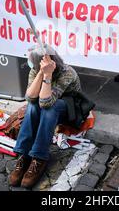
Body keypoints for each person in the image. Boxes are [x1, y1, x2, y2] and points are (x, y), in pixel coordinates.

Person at [9, 44, 82, 189]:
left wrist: (47, 75)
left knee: (49, 108)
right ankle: (24, 154)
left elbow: (46, 103)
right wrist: (40, 74)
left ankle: (39, 157)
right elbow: (30, 98)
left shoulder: (67, 72)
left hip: (69, 108)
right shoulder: (35, 69)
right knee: (32, 105)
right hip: (47, 103)